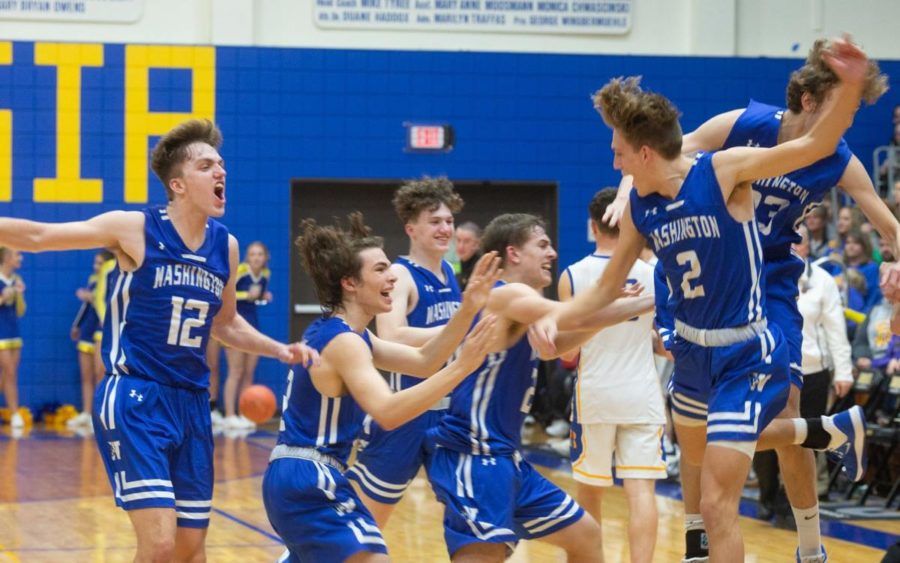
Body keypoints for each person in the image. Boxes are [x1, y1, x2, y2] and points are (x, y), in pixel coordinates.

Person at [539, 37, 870, 563]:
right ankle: (823, 432)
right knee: (698, 469)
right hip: (692, 354)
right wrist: (547, 316)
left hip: (743, 348)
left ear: (644, 152)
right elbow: (604, 289)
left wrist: (849, 90)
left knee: (719, 504)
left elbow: (809, 148)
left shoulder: (723, 171)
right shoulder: (641, 209)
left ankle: (805, 538)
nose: (613, 160)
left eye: (618, 151)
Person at [0, 119, 317, 561]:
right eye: (207, 165)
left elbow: (225, 325)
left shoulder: (225, 246)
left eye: (221, 164)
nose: (221, 172)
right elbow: (39, 236)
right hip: (135, 395)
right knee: (161, 543)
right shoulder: (135, 228)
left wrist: (279, 349)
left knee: (189, 549)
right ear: (178, 184)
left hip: (190, 404)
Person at [263, 212, 500, 562]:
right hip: (309, 477)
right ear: (350, 283)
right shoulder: (343, 342)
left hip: (302, 476)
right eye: (380, 269)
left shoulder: (353, 335)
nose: (392, 277)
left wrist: (467, 311)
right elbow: (388, 412)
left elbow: (424, 360)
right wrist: (463, 368)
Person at [428, 213, 655, 563]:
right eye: (543, 244)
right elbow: (575, 314)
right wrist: (652, 299)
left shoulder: (523, 305)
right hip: (475, 455)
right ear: (514, 254)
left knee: (585, 535)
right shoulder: (506, 294)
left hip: (506, 457)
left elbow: (561, 343)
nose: (552, 253)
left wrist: (616, 310)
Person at [347, 177, 464, 527]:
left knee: (470, 517)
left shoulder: (448, 272)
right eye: (435, 222)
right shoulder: (401, 273)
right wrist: (460, 329)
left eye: (449, 221)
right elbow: (391, 333)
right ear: (411, 228)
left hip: (448, 414)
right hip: (407, 412)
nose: (445, 229)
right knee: (363, 521)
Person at [559, 188, 666, 563]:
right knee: (642, 494)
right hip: (642, 394)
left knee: (589, 494)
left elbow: (567, 351)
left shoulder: (572, 275)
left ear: (593, 227)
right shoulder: (655, 274)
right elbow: (668, 346)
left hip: (595, 395)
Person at [754, 224, 854, 523]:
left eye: (799, 242)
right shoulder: (760, 274)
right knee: (766, 439)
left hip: (811, 371)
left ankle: (794, 507)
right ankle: (767, 495)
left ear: (807, 246)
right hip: (768, 368)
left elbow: (835, 327)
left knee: (802, 441)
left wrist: (844, 371)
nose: (795, 246)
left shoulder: (822, 281)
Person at [221, 241, 273, 429]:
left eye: (260, 254)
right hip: (234, 324)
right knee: (235, 371)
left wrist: (263, 296)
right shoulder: (241, 270)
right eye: (252, 254)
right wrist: (246, 295)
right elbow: (225, 293)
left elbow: (257, 297)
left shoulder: (266, 274)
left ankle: (245, 414)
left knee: (248, 373)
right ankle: (229, 414)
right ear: (247, 257)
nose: (256, 258)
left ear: (266, 257)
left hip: (253, 324)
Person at [67, 250, 114, 429]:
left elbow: (105, 301)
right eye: (95, 263)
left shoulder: (113, 277)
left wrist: (92, 296)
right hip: (88, 331)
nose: (96, 267)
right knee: (87, 376)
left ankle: (99, 415)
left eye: (100, 263)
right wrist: (76, 325)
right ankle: (86, 413)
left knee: (100, 374)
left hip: (102, 330)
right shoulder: (94, 281)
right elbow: (86, 307)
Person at [0, 248, 25, 430]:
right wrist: (3, 297)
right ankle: (15, 412)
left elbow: (20, 311)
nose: (20, 258)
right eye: (17, 254)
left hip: (13, 331)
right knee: (8, 371)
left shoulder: (17, 280)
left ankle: (13, 412)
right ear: (7, 257)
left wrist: (19, 295)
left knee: (10, 374)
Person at [455, 221, 483, 290]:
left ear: (477, 244)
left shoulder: (481, 269)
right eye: (458, 240)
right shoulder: (460, 267)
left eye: (467, 241)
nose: (461, 246)